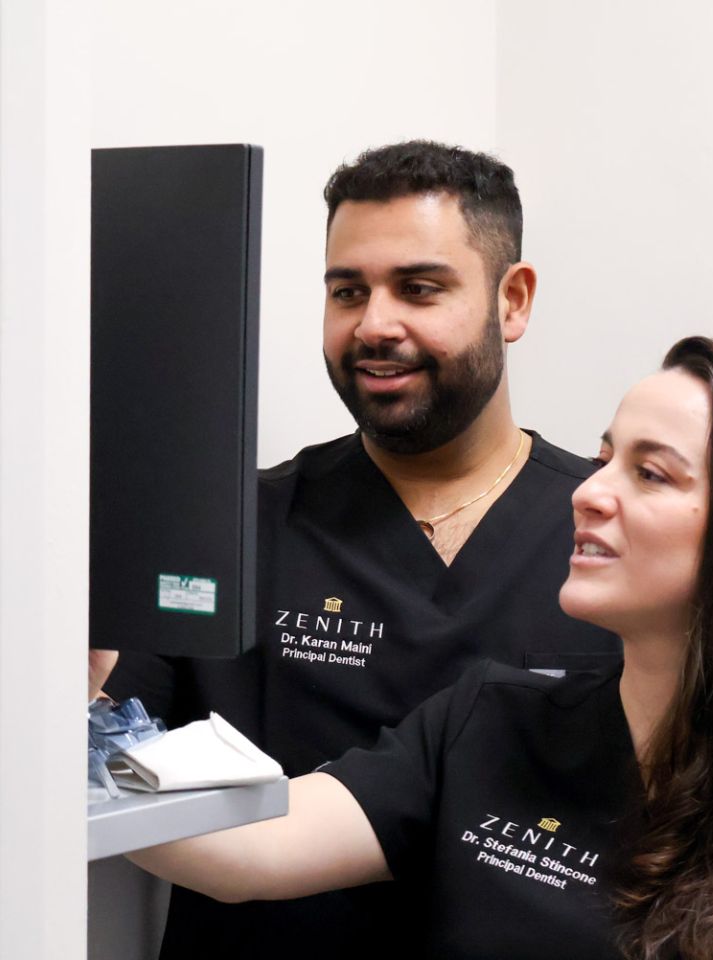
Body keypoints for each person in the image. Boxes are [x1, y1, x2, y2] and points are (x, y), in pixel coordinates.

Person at [108, 337, 713, 959]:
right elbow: (247, 850)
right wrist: (71, 700)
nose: (589, 493)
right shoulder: (487, 725)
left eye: (650, 473)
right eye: (602, 458)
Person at [99, 141, 621, 957]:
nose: (375, 325)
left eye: (419, 288)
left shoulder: (611, 539)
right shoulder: (230, 529)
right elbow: (99, 754)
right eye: (348, 291)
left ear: (512, 301)